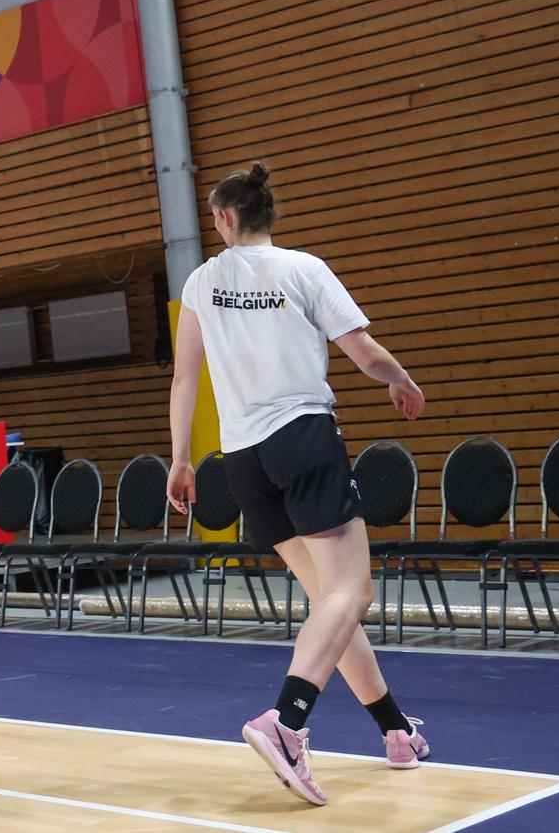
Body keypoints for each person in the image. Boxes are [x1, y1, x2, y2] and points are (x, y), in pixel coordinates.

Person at [168, 162, 429, 806]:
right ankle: (286, 723)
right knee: (352, 589)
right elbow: (364, 352)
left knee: (330, 605)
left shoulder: (201, 283)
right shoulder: (305, 269)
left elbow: (184, 379)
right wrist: (401, 379)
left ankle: (395, 730)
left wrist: (180, 459)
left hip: (242, 460)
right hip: (303, 439)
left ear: (226, 218)